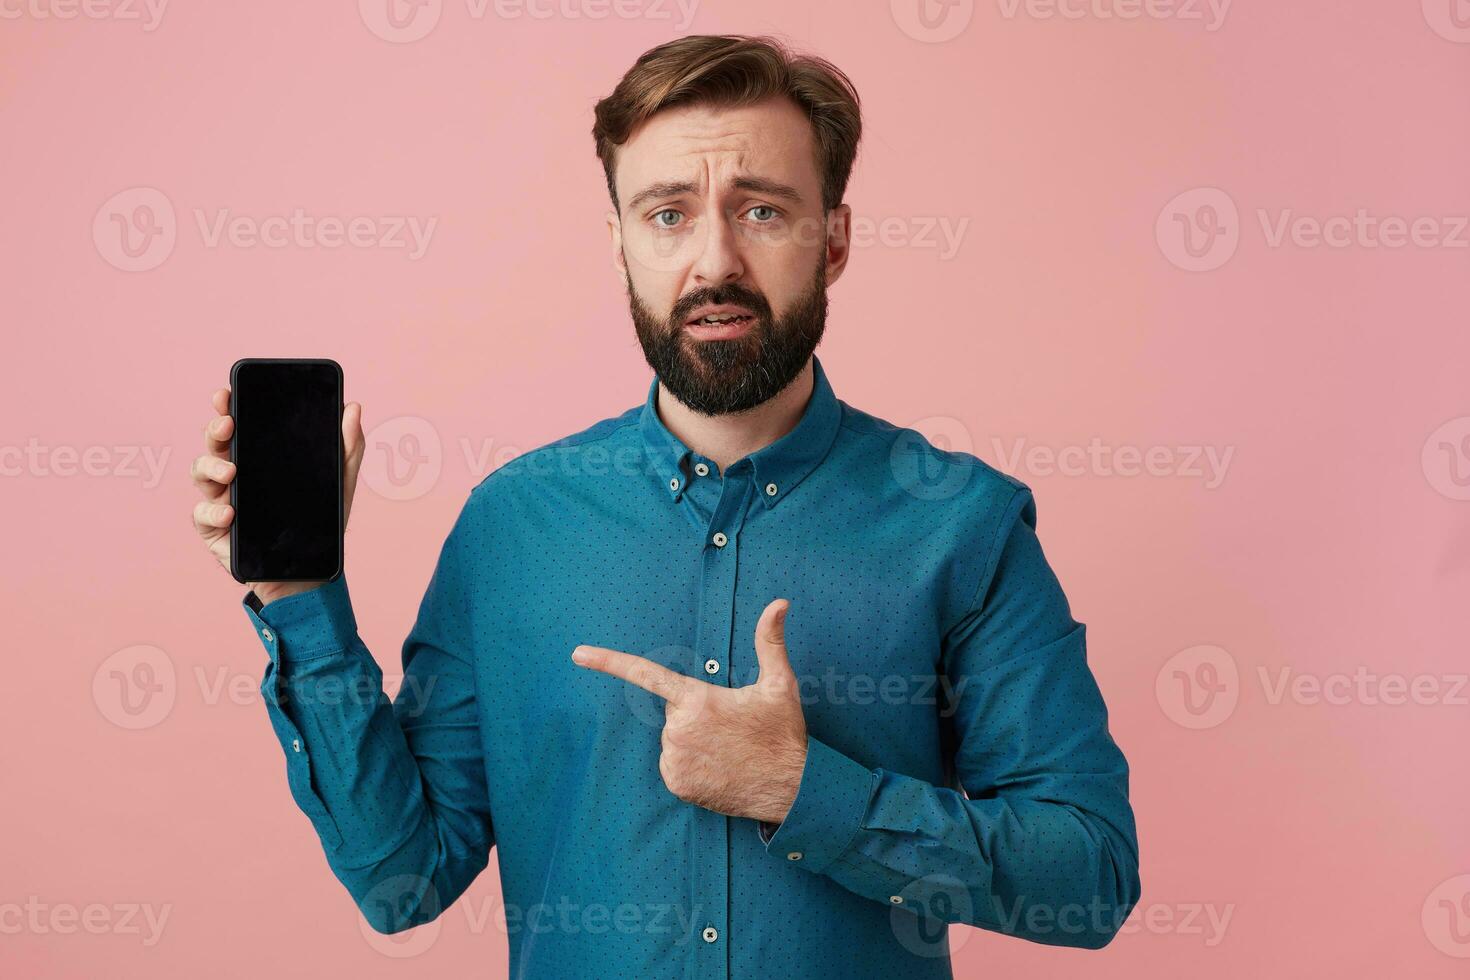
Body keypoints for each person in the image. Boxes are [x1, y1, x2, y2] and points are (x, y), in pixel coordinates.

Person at [190, 33, 1139, 979]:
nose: (714, 260)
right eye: (668, 214)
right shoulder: (511, 526)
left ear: (835, 239)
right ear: (619, 246)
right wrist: (298, 591)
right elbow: (403, 875)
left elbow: (1091, 874)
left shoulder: (962, 524)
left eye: (762, 210)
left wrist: (807, 792)